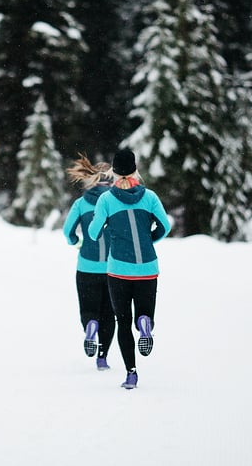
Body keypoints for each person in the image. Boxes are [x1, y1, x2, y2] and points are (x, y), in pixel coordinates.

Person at [88, 149, 171, 389]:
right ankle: (145, 323)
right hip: (148, 268)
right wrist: (148, 240)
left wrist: (107, 228)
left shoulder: (106, 200)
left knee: (122, 322)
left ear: (113, 172)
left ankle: (131, 374)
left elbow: (93, 234)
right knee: (143, 313)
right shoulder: (151, 197)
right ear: (136, 170)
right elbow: (165, 226)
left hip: (119, 270)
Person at [62, 155, 116, 371]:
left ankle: (90, 326)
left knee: (89, 308)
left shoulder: (81, 203)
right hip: (114, 267)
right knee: (109, 314)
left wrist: (77, 241)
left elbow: (67, 232)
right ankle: (102, 358)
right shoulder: (115, 202)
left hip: (86, 266)